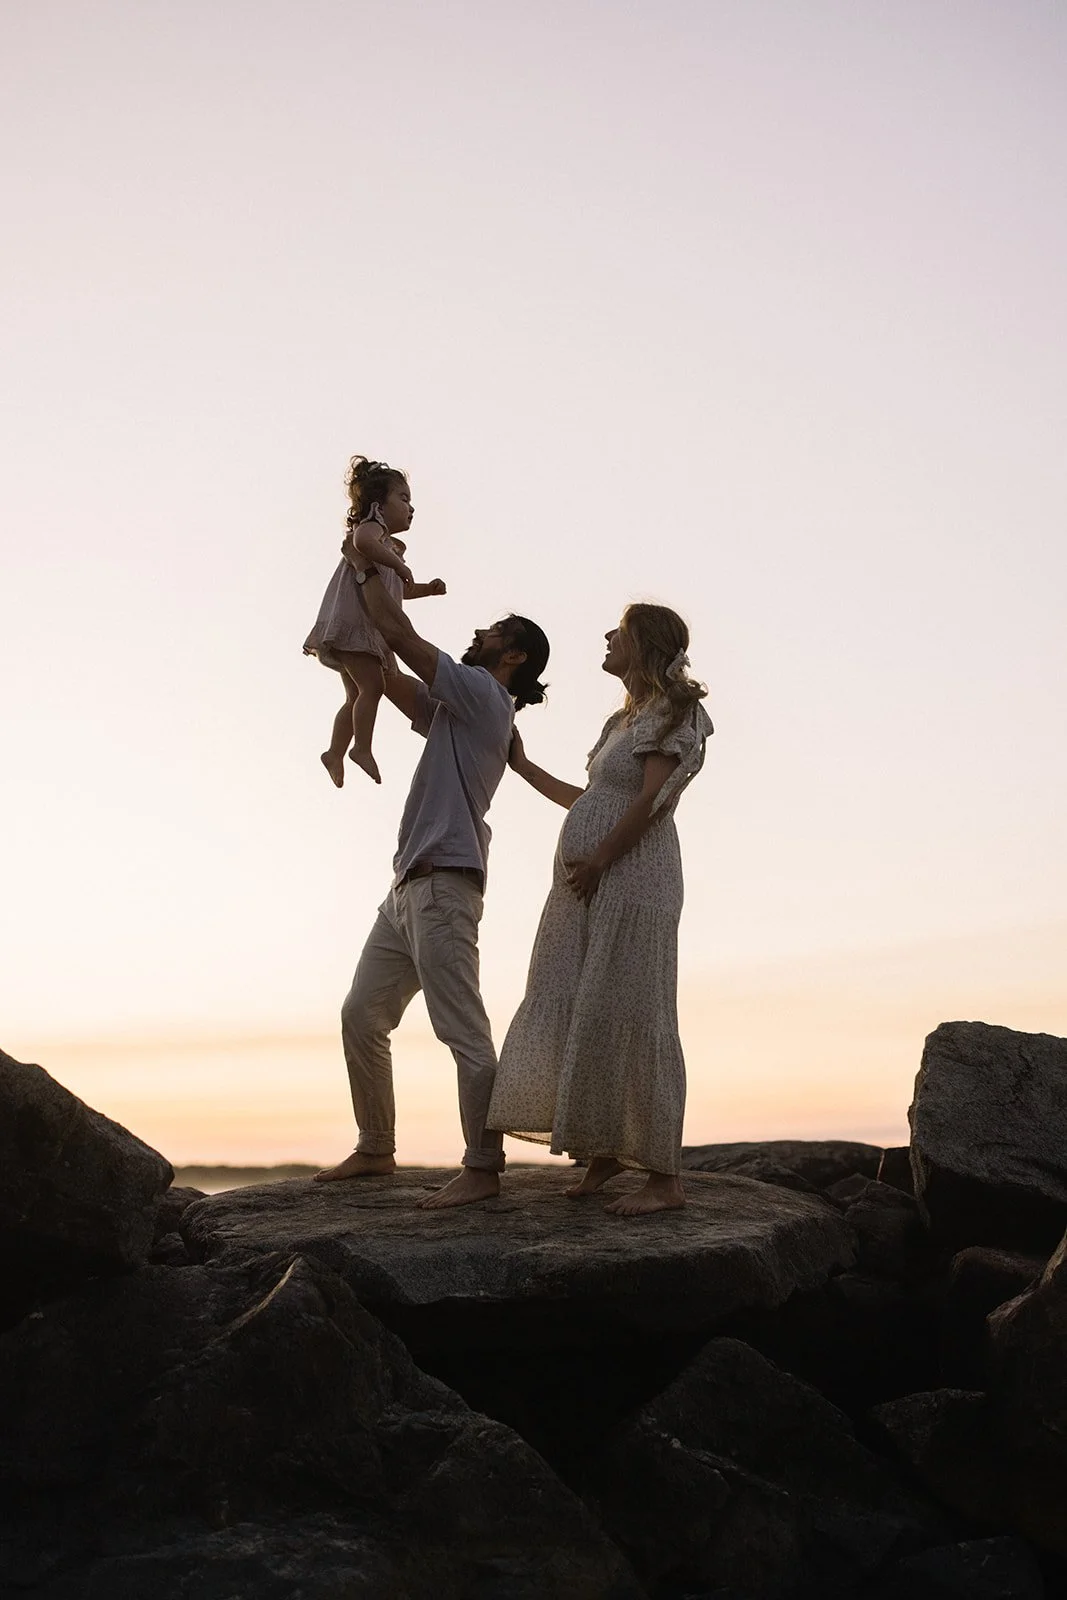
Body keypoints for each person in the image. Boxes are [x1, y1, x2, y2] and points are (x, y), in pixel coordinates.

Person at [315, 572, 551, 1209]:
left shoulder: (482, 695)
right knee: (361, 1014)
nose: (477, 633)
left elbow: (398, 632)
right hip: (407, 888)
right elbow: (388, 674)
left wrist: (369, 569)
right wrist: (354, 642)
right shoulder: (458, 708)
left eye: (492, 632)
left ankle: (482, 1167)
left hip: (445, 885)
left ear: (514, 655)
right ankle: (375, 1147)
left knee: (464, 1033)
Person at [488, 603, 712, 1216]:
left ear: (643, 644)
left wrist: (600, 860)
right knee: (579, 996)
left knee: (635, 1006)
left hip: (634, 878)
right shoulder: (622, 719)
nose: (608, 638)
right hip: (591, 879)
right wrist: (523, 766)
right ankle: (606, 1150)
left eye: (619, 631)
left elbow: (648, 802)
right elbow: (589, 799)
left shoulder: (674, 709)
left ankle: (664, 1178)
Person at [303, 456, 446, 786]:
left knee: (356, 696)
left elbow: (395, 591)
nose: (411, 508)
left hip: (363, 632)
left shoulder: (390, 548)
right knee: (373, 687)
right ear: (378, 504)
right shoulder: (372, 531)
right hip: (356, 627)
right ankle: (361, 749)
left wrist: (426, 589)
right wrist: (398, 565)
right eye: (404, 498)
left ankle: (335, 753)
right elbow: (361, 543)